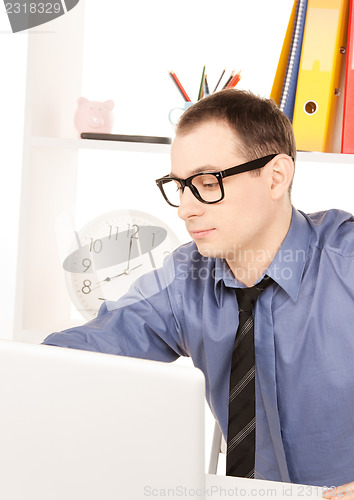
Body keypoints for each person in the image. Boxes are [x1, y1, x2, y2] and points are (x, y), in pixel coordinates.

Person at [43, 89, 354, 496]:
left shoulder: (344, 261)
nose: (186, 209)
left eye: (208, 183)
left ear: (276, 176)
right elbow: (71, 358)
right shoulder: (185, 276)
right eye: (180, 186)